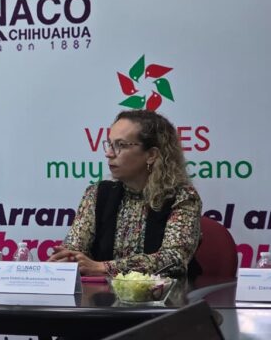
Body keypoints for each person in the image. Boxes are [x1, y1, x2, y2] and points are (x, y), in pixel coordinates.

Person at [49, 110, 202, 277]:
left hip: (164, 293)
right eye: (110, 144)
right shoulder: (97, 194)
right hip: (100, 293)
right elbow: (74, 247)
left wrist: (103, 268)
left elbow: (174, 259)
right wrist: (68, 259)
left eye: (120, 145)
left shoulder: (183, 196)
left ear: (151, 155)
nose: (109, 153)